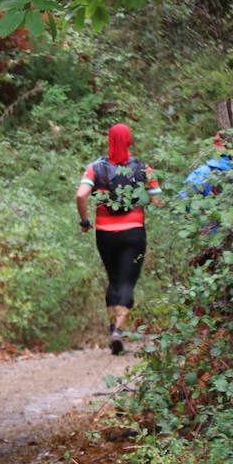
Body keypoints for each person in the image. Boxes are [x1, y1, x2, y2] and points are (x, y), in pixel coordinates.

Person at [75, 123, 164, 355]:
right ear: (129, 141)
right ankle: (117, 330)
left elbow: (81, 194)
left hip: (105, 233)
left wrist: (85, 221)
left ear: (109, 140)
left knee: (113, 279)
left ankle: (112, 329)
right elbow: (158, 200)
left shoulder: (95, 168)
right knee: (127, 281)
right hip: (134, 232)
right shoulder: (144, 168)